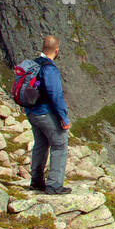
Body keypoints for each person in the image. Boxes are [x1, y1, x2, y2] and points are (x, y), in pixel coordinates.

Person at [26, 34, 72, 195]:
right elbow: (55, 94)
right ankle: (54, 185)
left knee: (40, 145)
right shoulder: (49, 68)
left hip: (32, 112)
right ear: (56, 50)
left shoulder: (33, 64)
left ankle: (37, 182)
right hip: (45, 113)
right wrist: (63, 118)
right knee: (59, 145)